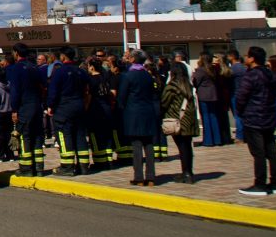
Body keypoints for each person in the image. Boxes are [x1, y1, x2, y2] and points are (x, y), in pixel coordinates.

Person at [235, 46, 276, 196]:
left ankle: (260, 184)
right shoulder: (270, 75)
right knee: (271, 151)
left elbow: (241, 96)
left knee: (258, 152)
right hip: (269, 116)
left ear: (252, 59)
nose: (246, 59)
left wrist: (241, 111)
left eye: (248, 56)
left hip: (254, 116)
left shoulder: (251, 76)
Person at [47, 46, 91, 176]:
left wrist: (50, 106)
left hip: (64, 107)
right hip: (79, 106)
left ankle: (67, 166)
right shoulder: (80, 71)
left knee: (64, 135)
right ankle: (84, 166)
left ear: (63, 56)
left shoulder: (60, 72)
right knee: (80, 135)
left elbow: (53, 91)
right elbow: (89, 87)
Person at [118, 50, 159, 186]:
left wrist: (122, 108)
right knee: (149, 145)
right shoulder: (147, 76)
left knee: (136, 145)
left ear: (133, 60)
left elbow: (122, 97)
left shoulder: (128, 76)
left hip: (133, 113)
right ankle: (151, 176)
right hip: (148, 112)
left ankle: (139, 177)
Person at [7, 43, 46, 176]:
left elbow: (15, 91)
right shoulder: (35, 67)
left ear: (16, 53)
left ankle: (26, 168)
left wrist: (14, 109)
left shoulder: (16, 68)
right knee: (37, 136)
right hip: (36, 106)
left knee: (25, 137)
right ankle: (39, 168)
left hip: (24, 106)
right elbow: (43, 87)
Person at [161, 62, 199, 183]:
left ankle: (186, 173)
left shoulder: (172, 86)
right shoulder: (188, 85)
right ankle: (189, 171)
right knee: (187, 146)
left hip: (178, 119)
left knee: (182, 147)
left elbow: (164, 102)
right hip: (188, 119)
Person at [84, 57, 114, 171]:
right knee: (106, 136)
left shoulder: (91, 79)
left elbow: (89, 96)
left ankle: (99, 161)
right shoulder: (104, 78)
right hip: (106, 108)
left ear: (91, 67)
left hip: (95, 109)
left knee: (95, 136)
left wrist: (85, 109)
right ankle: (108, 160)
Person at [192, 54, 221, 147]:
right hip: (213, 94)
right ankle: (217, 139)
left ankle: (208, 140)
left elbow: (195, 82)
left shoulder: (200, 70)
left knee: (205, 117)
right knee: (213, 117)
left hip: (203, 94)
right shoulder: (213, 69)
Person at [228, 50, 247, 143]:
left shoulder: (232, 69)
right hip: (244, 93)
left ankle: (240, 136)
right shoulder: (245, 68)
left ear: (232, 56)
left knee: (237, 115)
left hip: (235, 93)